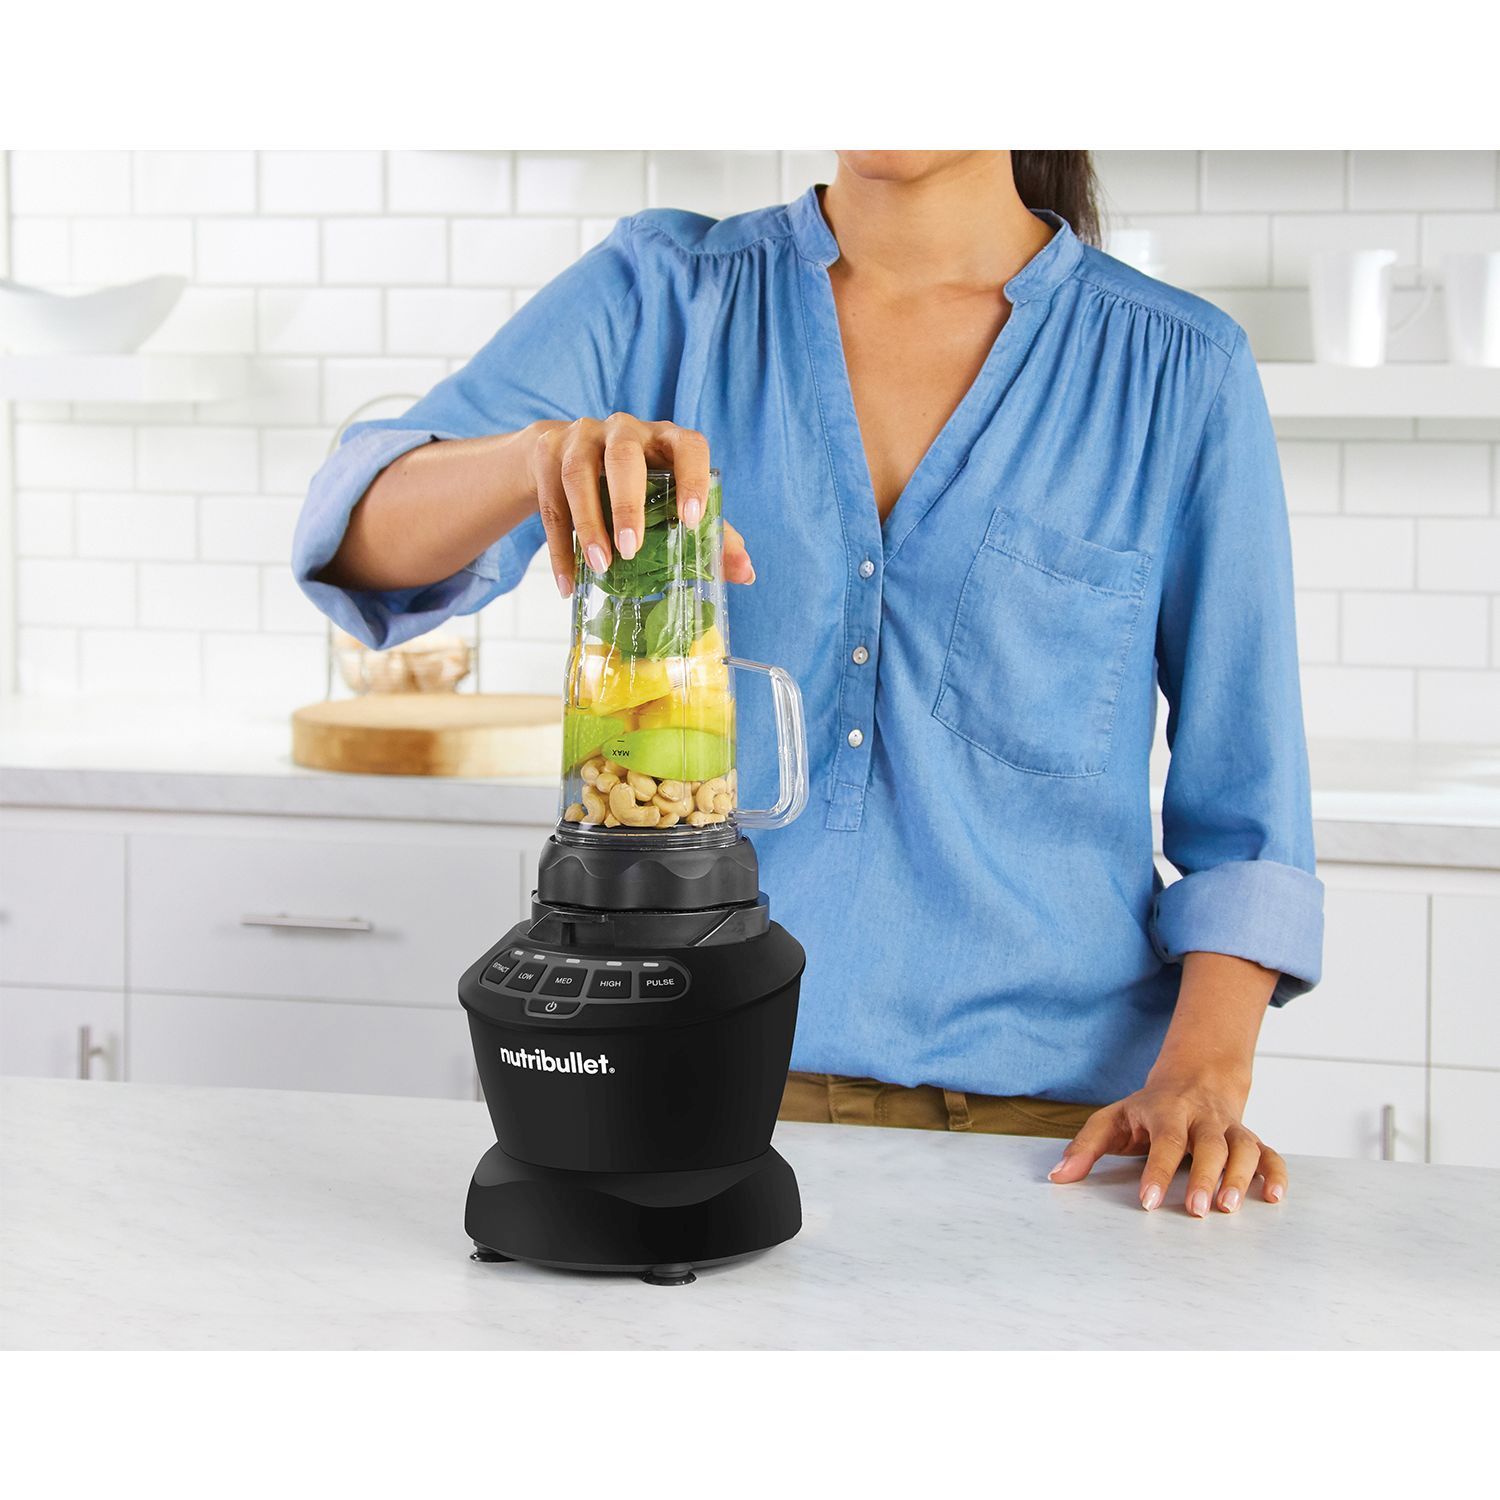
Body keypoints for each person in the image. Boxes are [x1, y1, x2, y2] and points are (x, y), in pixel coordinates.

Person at [294, 150, 1322, 1219]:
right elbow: (358, 535)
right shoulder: (662, 294)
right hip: (684, 1098)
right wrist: (533, 458)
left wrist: (1202, 1078)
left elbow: (1248, 819)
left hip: (1056, 1143)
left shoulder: (1178, 367)